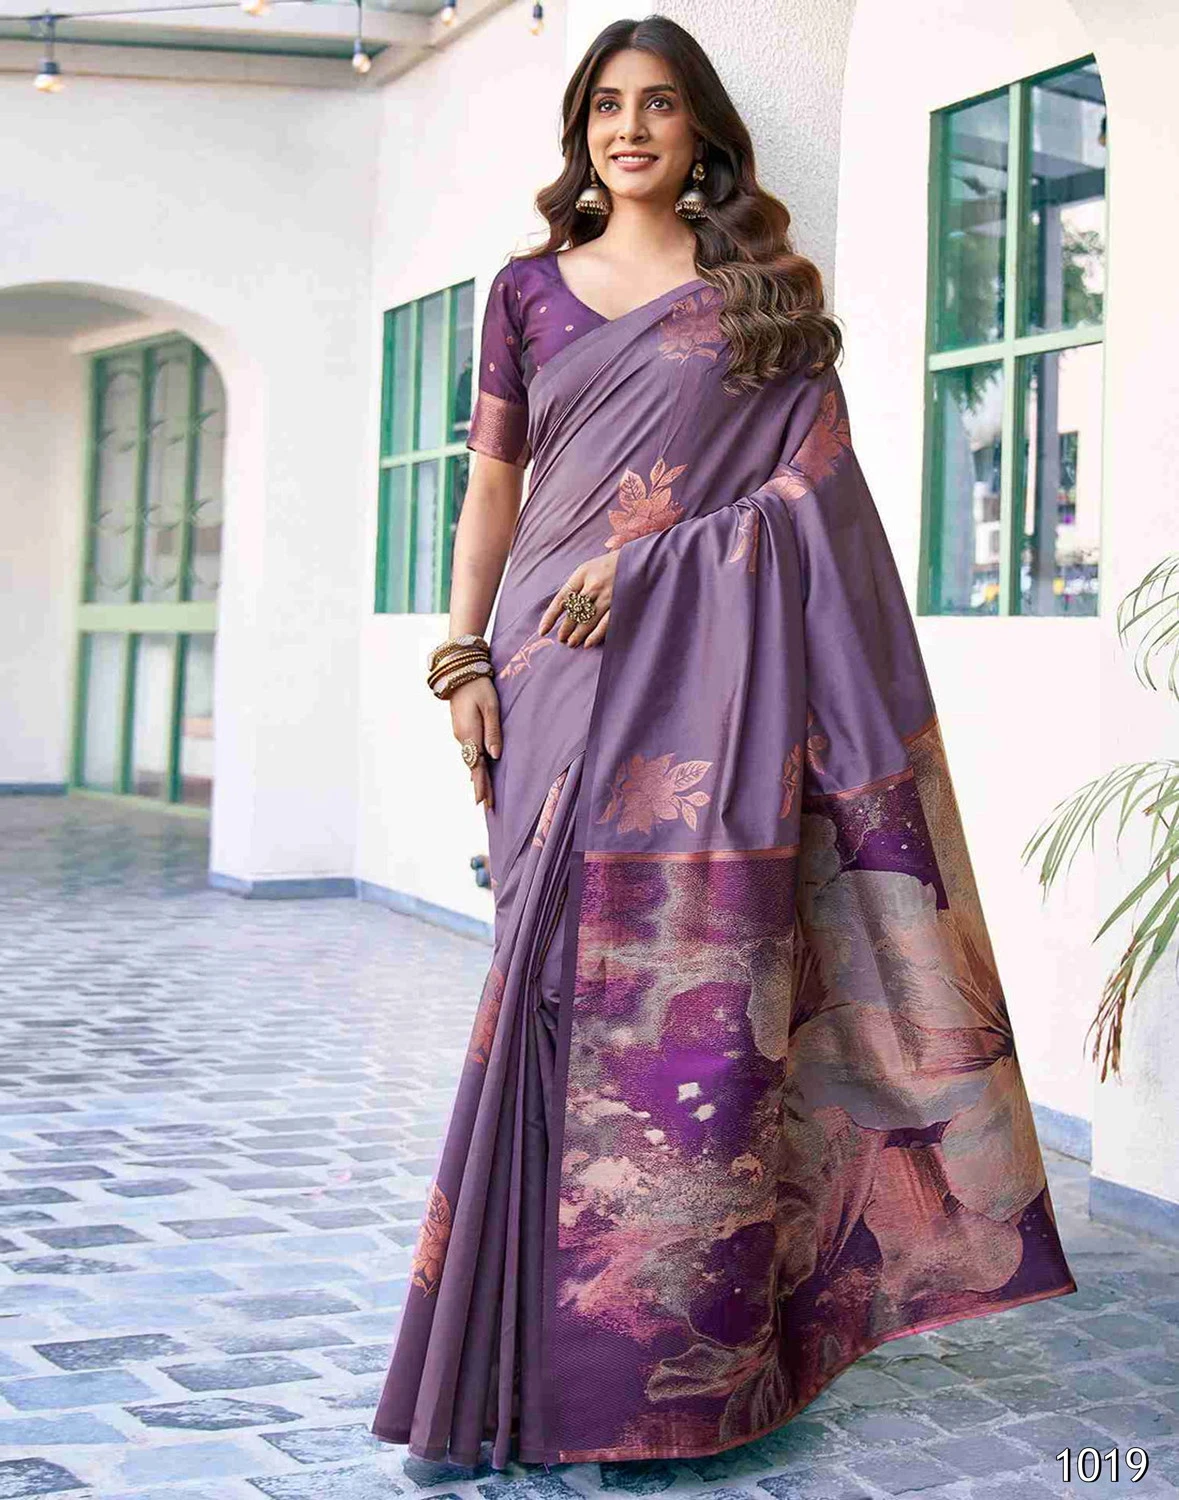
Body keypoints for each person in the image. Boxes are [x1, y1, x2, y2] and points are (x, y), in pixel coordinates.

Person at [372, 14, 1076, 1473]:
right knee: (545, 994)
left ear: (700, 130)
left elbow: (819, 504)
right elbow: (490, 488)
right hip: (548, 677)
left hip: (707, 692)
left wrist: (655, 567)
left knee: (694, 1011)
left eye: (658, 105)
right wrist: (459, 656)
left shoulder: (760, 299)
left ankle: (664, 1383)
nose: (629, 129)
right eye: (606, 106)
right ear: (581, 132)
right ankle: (503, 1369)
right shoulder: (525, 292)